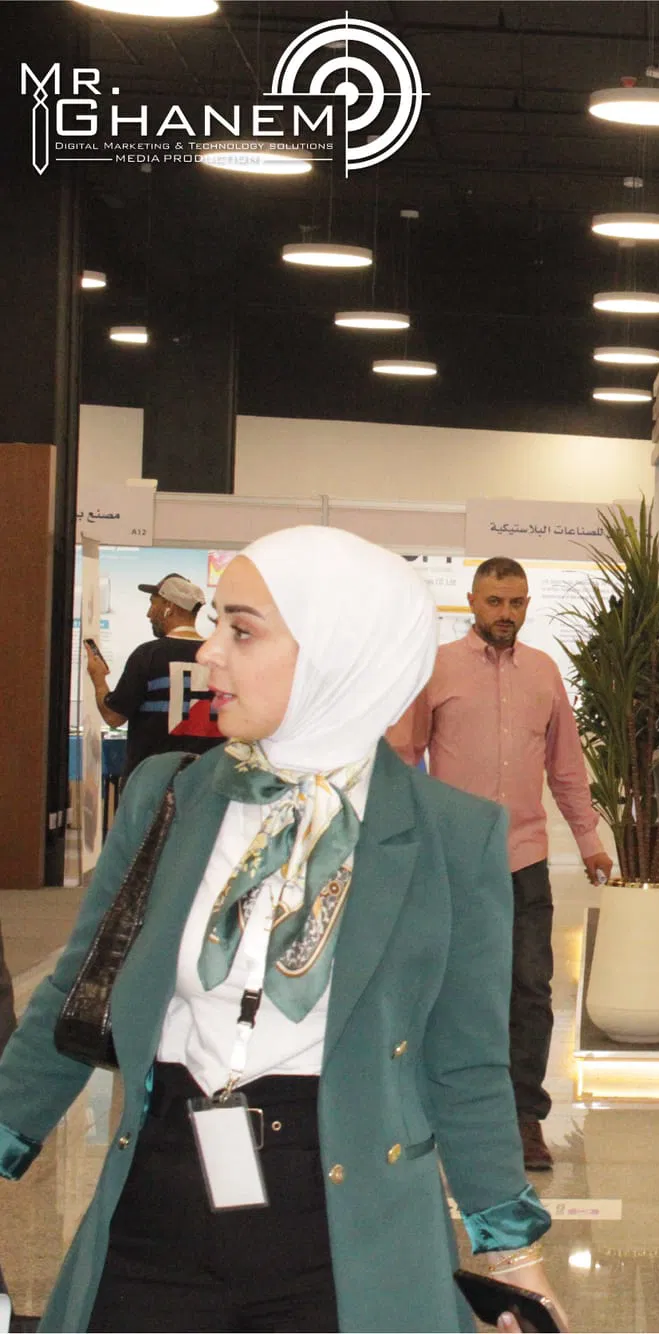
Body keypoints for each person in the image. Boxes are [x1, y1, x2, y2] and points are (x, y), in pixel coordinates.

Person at [0, 527, 564, 1331]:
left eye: (242, 630)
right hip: (157, 1210)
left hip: (344, 1231)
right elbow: (74, 996)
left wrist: (513, 1255)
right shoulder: (170, 796)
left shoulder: (453, 837)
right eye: (215, 625)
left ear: (339, 652)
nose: (209, 654)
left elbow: (466, 1063)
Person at [389, 556, 613, 1173]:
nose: (505, 613)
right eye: (494, 601)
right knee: (446, 989)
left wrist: (589, 841)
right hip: (450, 859)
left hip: (524, 859)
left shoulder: (543, 672)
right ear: (472, 601)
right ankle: (440, 1109)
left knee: (529, 990)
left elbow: (566, 767)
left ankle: (523, 1119)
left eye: (515, 603)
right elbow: (402, 754)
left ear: (527, 605)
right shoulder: (436, 667)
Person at [85, 573, 225, 778]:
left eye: (153, 603)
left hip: (152, 784)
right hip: (207, 781)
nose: (149, 614)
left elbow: (113, 717)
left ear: (169, 607)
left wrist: (98, 678)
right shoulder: (222, 658)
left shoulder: (147, 655)